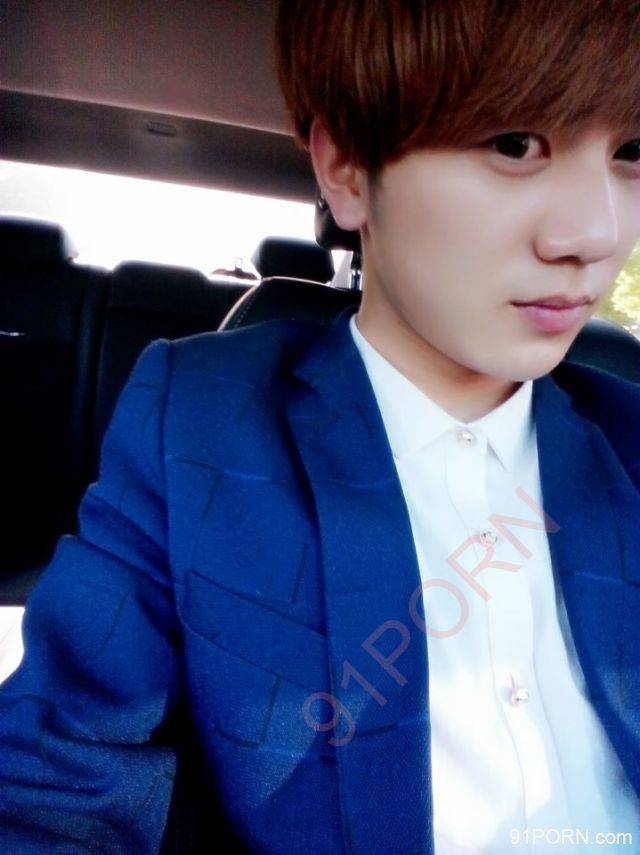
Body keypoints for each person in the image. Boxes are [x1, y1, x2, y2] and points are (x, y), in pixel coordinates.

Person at [2, 1, 640, 852]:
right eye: (515, 143)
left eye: (633, 152)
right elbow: (56, 787)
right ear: (346, 168)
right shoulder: (200, 425)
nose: (595, 234)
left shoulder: (630, 436)